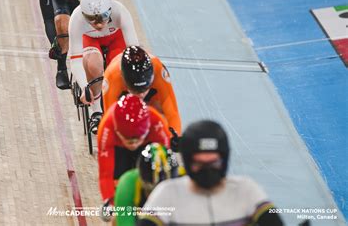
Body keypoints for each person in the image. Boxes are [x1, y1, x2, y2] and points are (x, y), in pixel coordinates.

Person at [138, 120, 284, 226]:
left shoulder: (246, 189)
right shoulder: (167, 193)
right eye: (199, 164)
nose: (207, 170)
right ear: (188, 163)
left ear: (224, 160)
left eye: (214, 163)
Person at [69, 0, 139, 131]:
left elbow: (134, 51)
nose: (99, 24)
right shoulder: (76, 18)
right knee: (94, 64)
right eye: (92, 20)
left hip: (115, 39)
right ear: (83, 14)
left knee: (119, 68)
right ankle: (96, 112)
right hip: (90, 39)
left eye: (102, 17)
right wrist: (85, 87)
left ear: (109, 10)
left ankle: (118, 105)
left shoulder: (120, 11)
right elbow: (75, 60)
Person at [38, 0, 103, 89]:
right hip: (62, 6)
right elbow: (48, 19)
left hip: (83, 1)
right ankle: (61, 68)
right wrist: (55, 44)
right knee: (61, 24)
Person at [97, 94, 171, 208]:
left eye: (137, 140)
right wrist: (110, 201)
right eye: (129, 141)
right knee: (118, 186)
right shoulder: (106, 127)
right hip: (119, 148)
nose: (134, 145)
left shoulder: (157, 122)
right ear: (117, 131)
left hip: (147, 146)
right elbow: (106, 174)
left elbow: (166, 169)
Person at [103, 46, 182, 136]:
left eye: (144, 89)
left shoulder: (158, 69)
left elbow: (172, 113)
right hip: (124, 98)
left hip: (151, 97)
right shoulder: (111, 77)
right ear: (124, 80)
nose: (140, 95)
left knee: (161, 116)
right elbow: (109, 121)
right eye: (135, 91)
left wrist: (173, 138)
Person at [114, 143, 181, 226]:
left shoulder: (184, 182)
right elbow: (124, 221)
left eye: (165, 191)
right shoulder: (128, 183)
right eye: (150, 190)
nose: (157, 197)